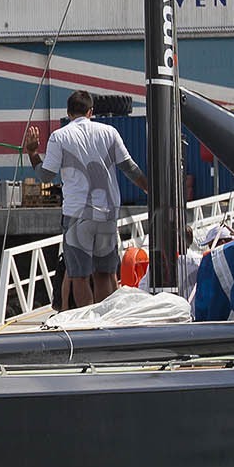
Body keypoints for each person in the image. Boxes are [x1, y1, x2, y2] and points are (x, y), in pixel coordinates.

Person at [22, 90, 149, 309]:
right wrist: (149, 189)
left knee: (79, 275)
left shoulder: (60, 136)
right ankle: (105, 319)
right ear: (91, 111)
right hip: (107, 212)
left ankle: (86, 321)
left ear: (68, 112)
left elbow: (46, 175)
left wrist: (33, 153)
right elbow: (129, 168)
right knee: (104, 273)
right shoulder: (109, 132)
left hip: (76, 214)